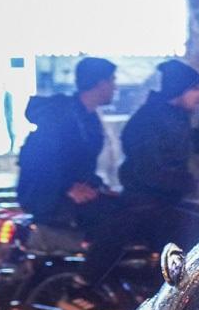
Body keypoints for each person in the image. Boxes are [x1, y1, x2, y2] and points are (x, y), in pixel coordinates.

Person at [62, 60, 199, 310]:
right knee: (191, 233)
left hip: (163, 201)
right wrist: (195, 183)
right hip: (147, 203)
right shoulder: (150, 121)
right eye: (196, 90)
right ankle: (169, 307)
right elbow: (149, 171)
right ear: (179, 89)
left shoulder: (175, 117)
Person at [17, 56, 122, 234]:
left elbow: (80, 166)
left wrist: (98, 187)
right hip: (46, 196)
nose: (115, 87)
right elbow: (41, 161)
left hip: (60, 192)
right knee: (113, 220)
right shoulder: (62, 116)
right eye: (112, 81)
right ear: (100, 83)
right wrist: (67, 188)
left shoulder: (88, 118)